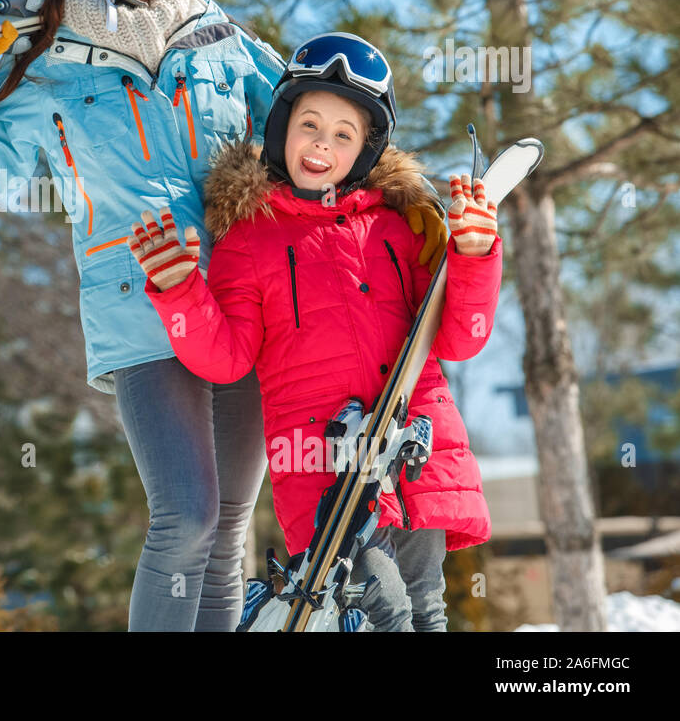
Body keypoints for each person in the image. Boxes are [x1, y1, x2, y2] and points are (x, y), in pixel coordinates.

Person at [0, 0, 445, 630]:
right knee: (185, 517)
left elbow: (321, 134)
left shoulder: (224, 47)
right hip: (141, 312)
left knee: (228, 530)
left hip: (244, 310)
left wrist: (408, 203)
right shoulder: (52, 69)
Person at [128, 32, 497, 631]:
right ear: (282, 127)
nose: (322, 144)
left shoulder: (400, 228)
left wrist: (476, 255)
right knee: (384, 605)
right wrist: (179, 293)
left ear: (366, 151)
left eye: (343, 134)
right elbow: (225, 358)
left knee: (427, 607)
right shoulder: (249, 239)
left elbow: (460, 338)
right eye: (310, 124)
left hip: (414, 449)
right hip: (329, 468)